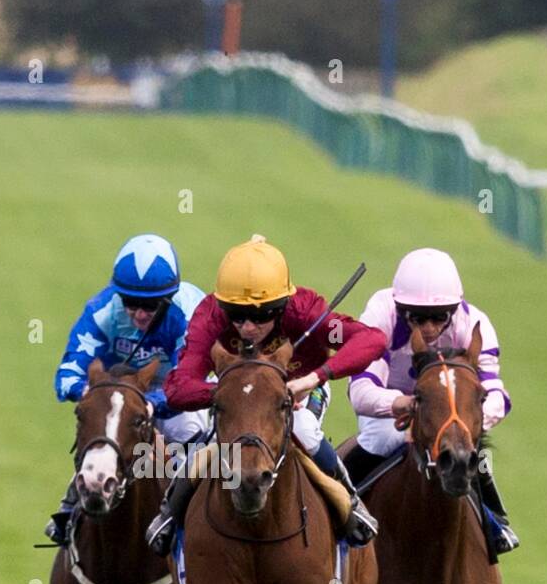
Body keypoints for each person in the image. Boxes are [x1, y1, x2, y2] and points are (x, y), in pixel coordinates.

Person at [146, 234, 387, 555]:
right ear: (223, 306)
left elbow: (371, 340)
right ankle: (170, 514)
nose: (247, 326)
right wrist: (238, 393)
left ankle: (350, 502)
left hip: (297, 395)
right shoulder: (211, 317)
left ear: (282, 305)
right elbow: (178, 388)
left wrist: (315, 377)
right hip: (237, 401)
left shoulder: (306, 313)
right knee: (208, 446)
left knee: (303, 430)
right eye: (238, 314)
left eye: (261, 315)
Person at [347, 247, 518, 553]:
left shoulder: (474, 324)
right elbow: (360, 392)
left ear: (454, 309)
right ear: (401, 309)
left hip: (448, 414)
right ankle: (342, 510)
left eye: (438, 318)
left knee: (467, 447)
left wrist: (467, 418)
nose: (428, 328)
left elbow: (498, 397)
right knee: (381, 438)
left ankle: (496, 524)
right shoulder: (379, 316)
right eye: (417, 318)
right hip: (392, 408)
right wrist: (404, 404)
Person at [45, 233, 207, 545]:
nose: (140, 314)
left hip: (181, 390)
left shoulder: (189, 313)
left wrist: (151, 405)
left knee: (188, 430)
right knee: (102, 427)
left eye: (150, 306)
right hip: (120, 389)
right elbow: (66, 374)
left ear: (169, 299)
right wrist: (92, 396)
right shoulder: (102, 310)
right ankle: (72, 504)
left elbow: (186, 381)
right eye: (131, 304)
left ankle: (187, 517)